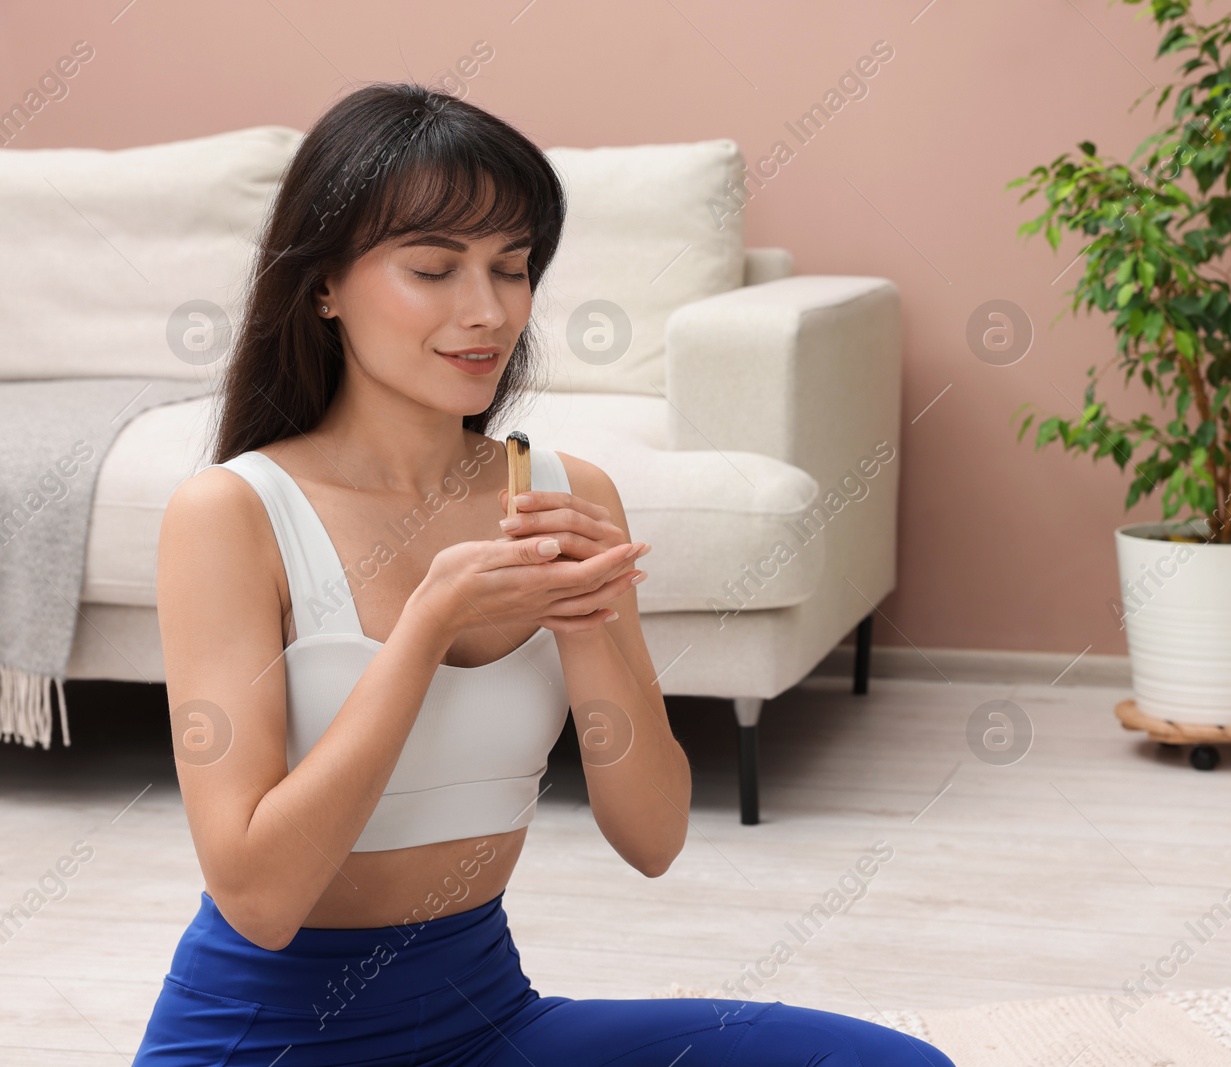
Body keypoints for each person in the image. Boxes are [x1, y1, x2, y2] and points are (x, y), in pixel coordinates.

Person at [132, 81, 955, 1066]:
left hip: (486, 1023)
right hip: (264, 1040)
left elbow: (652, 838)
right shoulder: (231, 514)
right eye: (433, 269)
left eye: (512, 268)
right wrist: (427, 626)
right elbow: (259, 899)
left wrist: (592, 622)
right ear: (322, 287)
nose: (486, 311)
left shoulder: (570, 492)